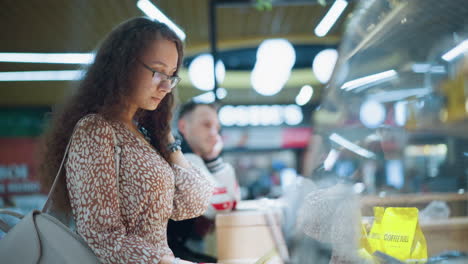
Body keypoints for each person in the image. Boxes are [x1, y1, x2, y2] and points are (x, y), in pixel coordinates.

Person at [38, 17, 214, 264]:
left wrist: (168, 140)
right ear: (124, 65)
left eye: (172, 75)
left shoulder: (143, 132)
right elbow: (101, 236)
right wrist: (166, 262)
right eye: (157, 71)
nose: (165, 85)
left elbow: (193, 202)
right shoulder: (95, 130)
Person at [167, 101, 241, 262]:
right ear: (183, 127)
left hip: (180, 247)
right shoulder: (183, 156)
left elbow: (233, 202)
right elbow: (221, 206)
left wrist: (213, 159)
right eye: (206, 125)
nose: (214, 133)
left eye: (217, 128)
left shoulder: (195, 156)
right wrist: (214, 159)